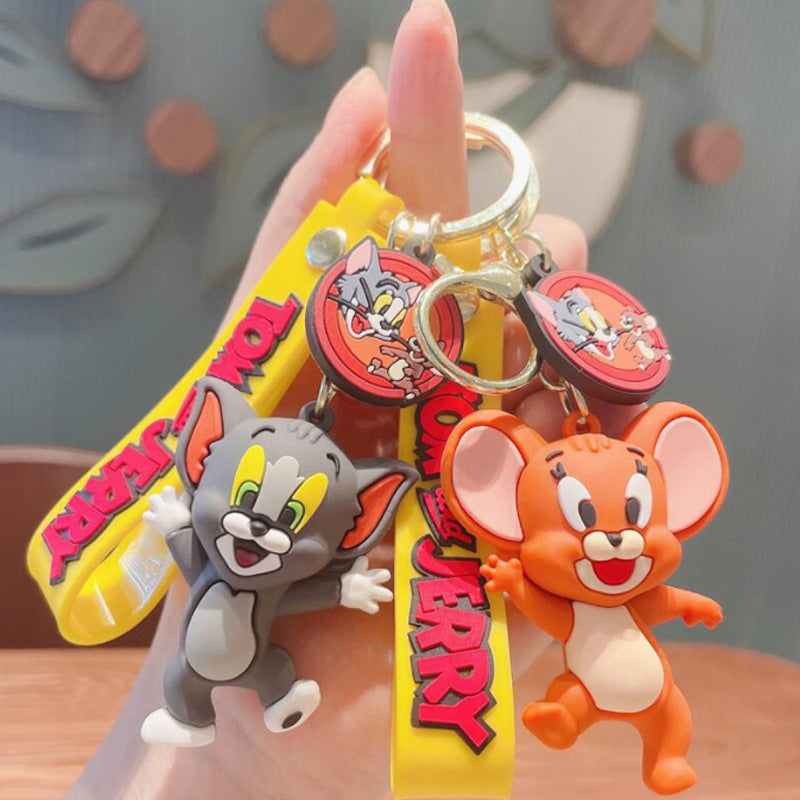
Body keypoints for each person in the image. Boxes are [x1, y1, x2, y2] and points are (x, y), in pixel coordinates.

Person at [67, 2, 629, 797]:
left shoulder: (299, 547)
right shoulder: (218, 536)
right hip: (207, 684)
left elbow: (301, 578)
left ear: (358, 521)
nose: (253, 527)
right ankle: (202, 721)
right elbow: (197, 549)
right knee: (196, 684)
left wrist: (347, 588)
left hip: (282, 664)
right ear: (204, 455)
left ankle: (257, 710)